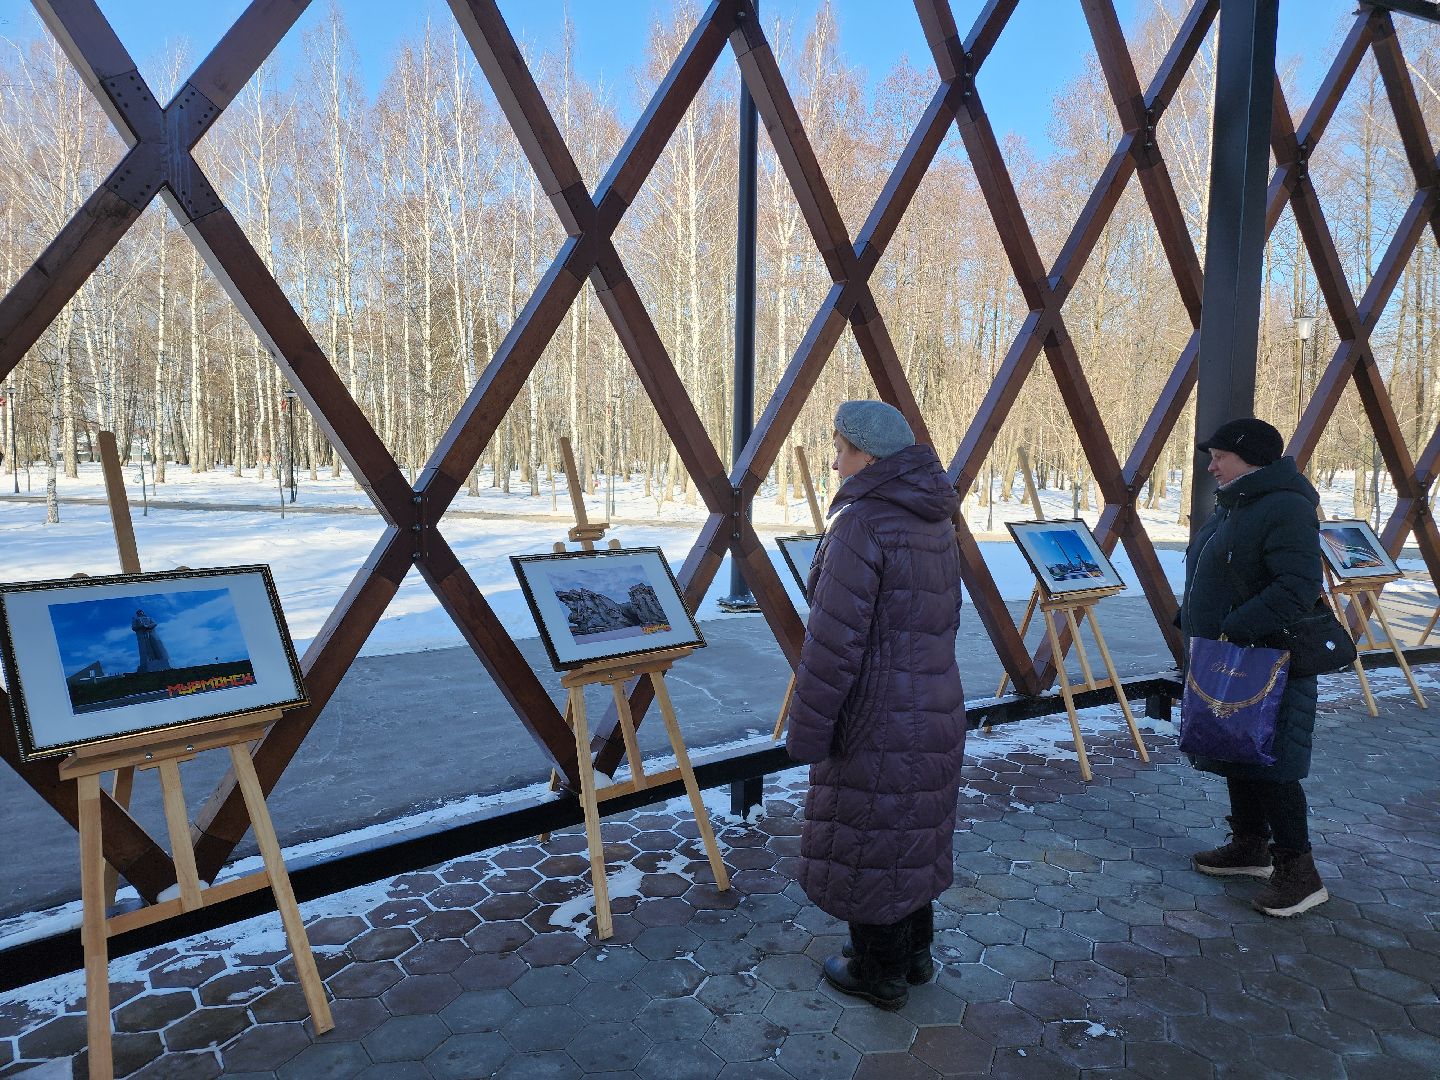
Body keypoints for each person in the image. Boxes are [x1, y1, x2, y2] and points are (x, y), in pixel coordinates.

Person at [785, 400, 967, 1009]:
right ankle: (914, 956)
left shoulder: (861, 524)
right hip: (935, 702)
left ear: (868, 454)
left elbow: (833, 645)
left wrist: (808, 733)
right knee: (911, 833)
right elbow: (947, 617)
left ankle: (877, 973)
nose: (836, 464)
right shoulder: (933, 518)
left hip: (877, 714)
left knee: (870, 838)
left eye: (841, 449)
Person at [1180, 417, 1328, 917]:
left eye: (1221, 456)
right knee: (1236, 746)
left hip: (1272, 658)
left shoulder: (1284, 505)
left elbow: (1298, 585)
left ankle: (1299, 873)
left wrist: (1236, 626)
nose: (1212, 465)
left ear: (1251, 458)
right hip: (1232, 654)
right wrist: (1194, 616)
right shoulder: (1236, 503)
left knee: (1273, 763)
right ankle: (1251, 846)